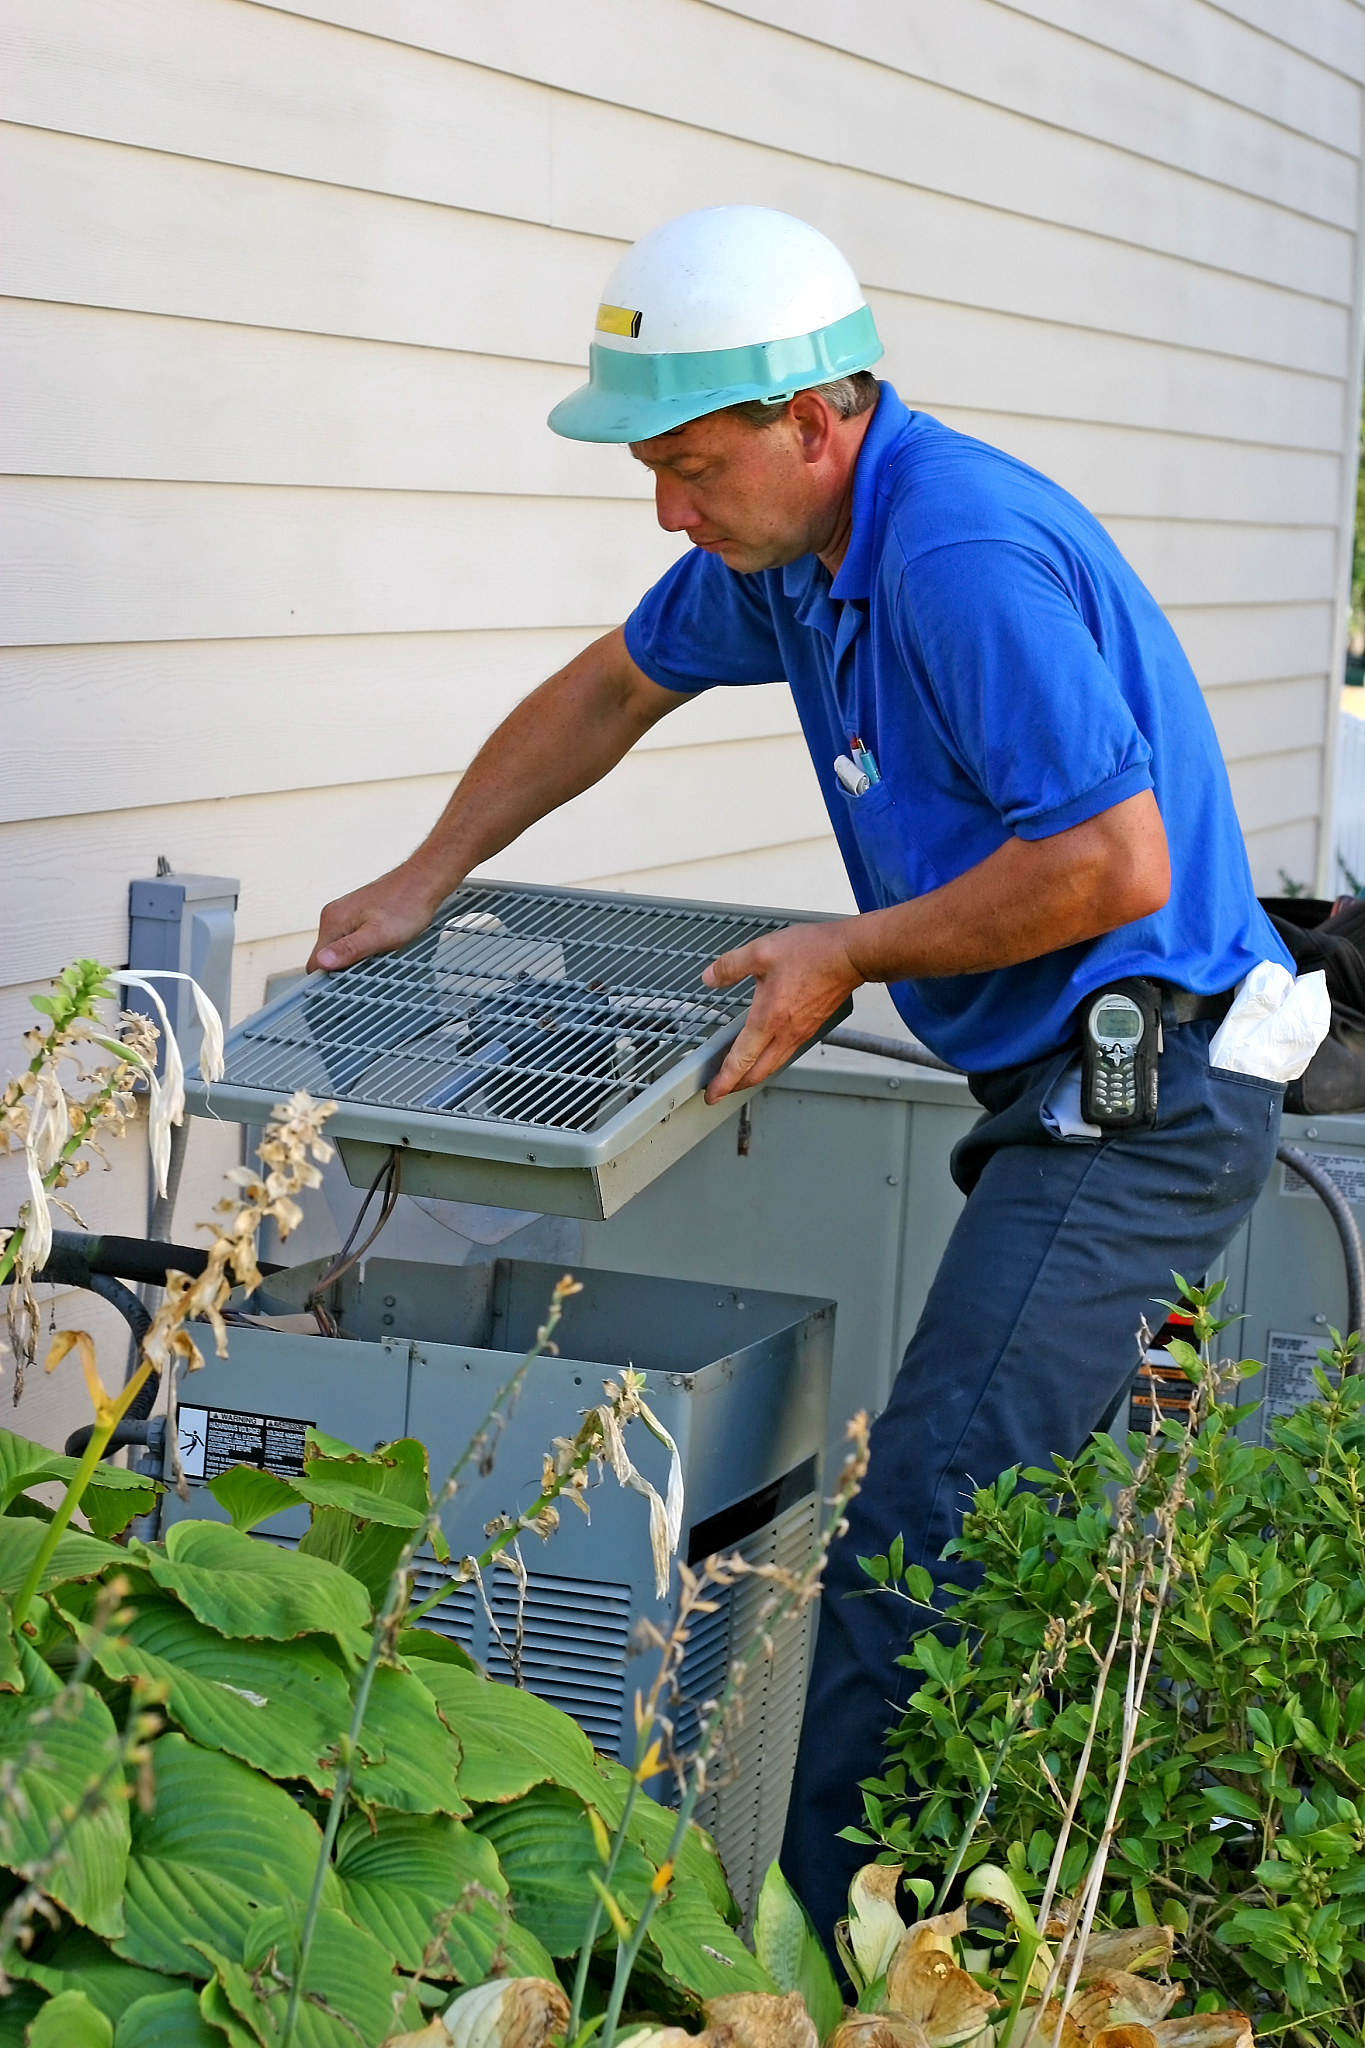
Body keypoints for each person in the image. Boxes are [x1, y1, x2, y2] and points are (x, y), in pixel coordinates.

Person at [308, 206, 1317, 1948]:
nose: (666, 511)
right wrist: (427, 875)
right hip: (1051, 1087)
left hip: (1138, 1102)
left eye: (689, 467)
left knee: (920, 1527)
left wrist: (843, 951)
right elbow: (610, 689)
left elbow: (1111, 864)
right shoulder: (794, 550)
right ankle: (976, 1911)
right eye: (653, 472)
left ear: (810, 423)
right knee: (986, 1519)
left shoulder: (953, 554)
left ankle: (815, 1973)